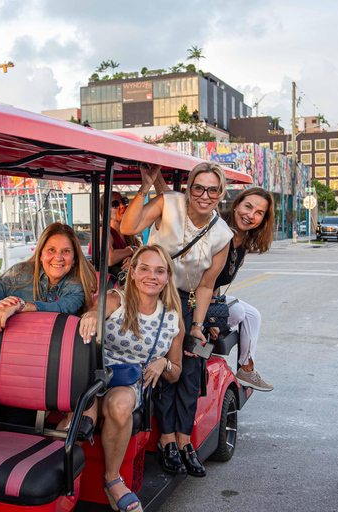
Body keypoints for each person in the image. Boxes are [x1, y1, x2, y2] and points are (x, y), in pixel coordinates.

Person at [120, 162, 232, 478]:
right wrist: (145, 186)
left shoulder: (222, 235)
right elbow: (129, 228)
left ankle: (185, 442)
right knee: (166, 371)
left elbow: (207, 285)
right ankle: (167, 440)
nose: (205, 195)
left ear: (221, 192)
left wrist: (196, 325)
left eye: (212, 189)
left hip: (186, 301)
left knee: (191, 369)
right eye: (198, 187)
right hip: (151, 297)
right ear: (189, 189)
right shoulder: (169, 203)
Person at [79, 245, 183, 512]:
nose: (152, 276)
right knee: (80, 407)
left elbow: (176, 373)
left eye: (159, 271)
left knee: (122, 403)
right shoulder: (116, 299)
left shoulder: (172, 319)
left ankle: (112, 480)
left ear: (167, 277)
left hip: (128, 383)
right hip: (93, 374)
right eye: (145, 268)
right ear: (133, 273)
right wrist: (91, 315)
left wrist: (164, 363)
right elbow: (96, 311)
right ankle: (61, 473)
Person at [210, 187, 275, 391]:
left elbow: (215, 283)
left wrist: (213, 306)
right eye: (248, 206)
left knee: (253, 315)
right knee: (237, 311)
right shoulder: (216, 229)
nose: (251, 215)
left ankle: (246, 369)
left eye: (259, 213)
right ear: (237, 204)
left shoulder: (243, 241)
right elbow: (201, 278)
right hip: (190, 299)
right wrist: (208, 316)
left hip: (209, 297)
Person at [0, 222, 97, 334]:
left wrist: (20, 305)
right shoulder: (20, 275)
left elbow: (60, 308)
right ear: (40, 255)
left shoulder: (77, 285)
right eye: (51, 250)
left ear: (74, 259)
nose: (58, 257)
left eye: (66, 251)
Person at [101, 191, 140, 277]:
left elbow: (142, 254)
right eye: (115, 204)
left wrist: (132, 259)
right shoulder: (103, 232)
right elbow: (109, 258)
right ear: (105, 212)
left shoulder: (130, 234)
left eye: (124, 201)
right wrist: (131, 250)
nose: (122, 206)